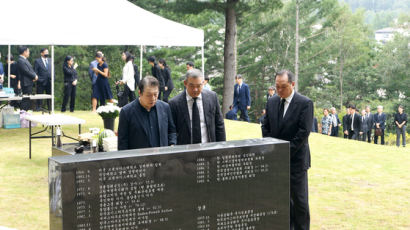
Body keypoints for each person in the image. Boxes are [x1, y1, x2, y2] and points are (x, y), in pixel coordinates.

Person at [262, 70, 313, 230]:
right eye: (277, 86)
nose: (279, 90)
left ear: (292, 84)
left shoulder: (305, 103)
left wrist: (283, 151)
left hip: (296, 161)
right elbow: (266, 126)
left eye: (282, 87)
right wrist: (273, 148)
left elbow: (303, 133)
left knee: (300, 202)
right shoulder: (272, 102)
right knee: (282, 201)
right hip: (276, 159)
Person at [118, 76, 176, 150]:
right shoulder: (126, 112)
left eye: (155, 94)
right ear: (140, 92)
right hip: (138, 159)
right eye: (148, 95)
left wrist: (172, 144)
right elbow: (122, 143)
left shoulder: (165, 107)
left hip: (162, 157)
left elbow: (172, 131)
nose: (153, 98)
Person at [169, 69, 226, 145]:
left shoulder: (212, 97)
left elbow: (219, 124)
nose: (195, 90)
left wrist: (222, 146)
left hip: (208, 147)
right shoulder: (174, 103)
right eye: (192, 86)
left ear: (203, 83)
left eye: (199, 86)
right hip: (186, 150)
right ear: (185, 83)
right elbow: (172, 131)